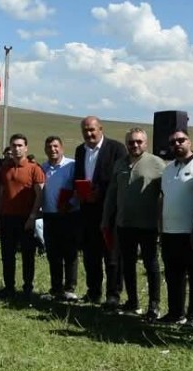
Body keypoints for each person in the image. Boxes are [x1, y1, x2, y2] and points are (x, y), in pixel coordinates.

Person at [102, 128, 166, 319]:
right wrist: (105, 218)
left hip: (148, 225)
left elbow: (166, 194)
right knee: (127, 264)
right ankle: (132, 301)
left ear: (146, 143)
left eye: (139, 142)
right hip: (124, 224)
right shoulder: (120, 164)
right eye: (131, 142)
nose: (135, 145)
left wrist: (163, 223)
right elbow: (112, 193)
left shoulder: (157, 163)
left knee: (151, 265)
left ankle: (154, 305)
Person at [73, 116, 128, 308]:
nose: (89, 134)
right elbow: (79, 175)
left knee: (112, 255)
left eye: (92, 129)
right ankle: (93, 291)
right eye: (85, 130)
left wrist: (100, 192)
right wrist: (80, 191)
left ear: (100, 129)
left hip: (109, 210)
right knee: (91, 254)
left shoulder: (116, 148)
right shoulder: (80, 150)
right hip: (87, 210)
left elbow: (119, 178)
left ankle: (113, 294)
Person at [159, 130, 193, 330]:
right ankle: (175, 312)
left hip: (192, 231)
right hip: (170, 231)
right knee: (173, 275)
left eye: (181, 140)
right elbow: (164, 198)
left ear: (190, 142)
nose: (177, 144)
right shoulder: (168, 169)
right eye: (173, 142)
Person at [0, 134, 45, 299]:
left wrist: (33, 216)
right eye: (14, 146)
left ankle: (27, 287)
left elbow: (39, 195)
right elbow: (1, 194)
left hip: (26, 219)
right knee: (7, 255)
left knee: (27, 255)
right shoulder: (5, 168)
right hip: (6, 217)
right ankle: (9, 287)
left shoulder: (34, 168)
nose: (16, 149)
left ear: (26, 148)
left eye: (19, 145)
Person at [39, 135, 80, 302]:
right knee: (53, 253)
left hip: (69, 215)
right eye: (49, 147)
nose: (52, 149)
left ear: (61, 148)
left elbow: (79, 188)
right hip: (49, 215)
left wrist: (70, 204)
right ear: (45, 149)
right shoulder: (43, 168)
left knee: (69, 253)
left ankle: (69, 288)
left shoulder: (72, 166)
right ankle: (56, 288)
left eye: (55, 146)